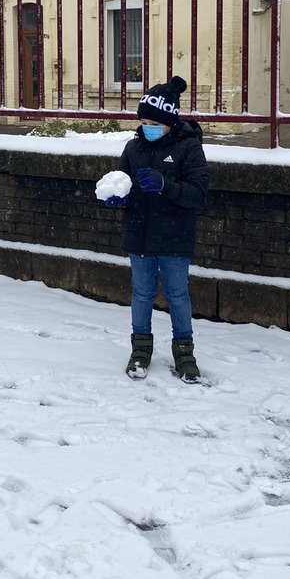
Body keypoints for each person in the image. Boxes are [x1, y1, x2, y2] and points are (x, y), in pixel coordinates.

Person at [103, 75, 211, 383]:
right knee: (141, 293)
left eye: (155, 122)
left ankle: (184, 353)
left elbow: (199, 195)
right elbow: (122, 182)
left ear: (170, 122)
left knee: (177, 294)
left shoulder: (188, 148)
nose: (147, 127)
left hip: (175, 236)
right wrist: (116, 196)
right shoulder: (133, 148)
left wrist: (166, 186)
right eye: (144, 121)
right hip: (139, 234)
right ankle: (140, 351)